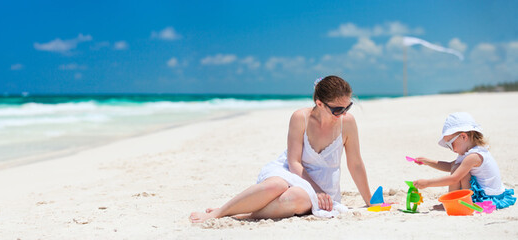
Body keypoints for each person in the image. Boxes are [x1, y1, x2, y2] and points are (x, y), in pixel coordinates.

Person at [190, 75, 372, 222]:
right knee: (274, 185)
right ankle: (220, 211)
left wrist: (369, 201)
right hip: (293, 171)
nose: (344, 113)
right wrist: (316, 190)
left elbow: (355, 164)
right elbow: (294, 162)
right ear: (319, 104)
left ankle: (245, 214)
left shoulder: (347, 123)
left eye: (348, 106)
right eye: (338, 110)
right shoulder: (300, 118)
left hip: (324, 185)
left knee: (292, 198)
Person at [412, 112, 516, 209]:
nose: (450, 148)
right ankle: (453, 201)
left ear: (463, 137)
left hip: (487, 197)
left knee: (459, 171)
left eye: (450, 144)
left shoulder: (474, 156)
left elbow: (454, 178)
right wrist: (428, 162)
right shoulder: (468, 153)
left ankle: (452, 203)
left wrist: (427, 183)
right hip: (488, 193)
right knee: (456, 167)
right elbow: (449, 166)